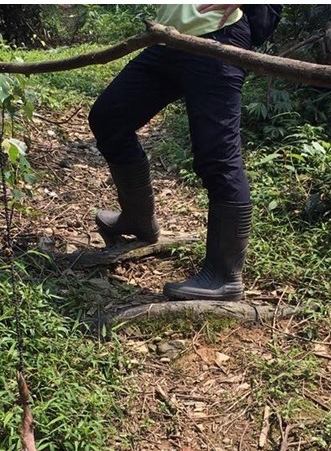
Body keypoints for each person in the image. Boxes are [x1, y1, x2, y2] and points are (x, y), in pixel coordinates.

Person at [89, 4, 279, 301]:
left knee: (218, 158)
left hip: (219, 36)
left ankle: (223, 276)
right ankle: (139, 220)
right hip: (169, 39)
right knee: (109, 119)